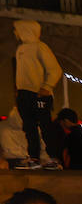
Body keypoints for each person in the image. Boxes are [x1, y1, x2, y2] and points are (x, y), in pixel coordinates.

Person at [11, 20, 62, 170]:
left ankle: (53, 158)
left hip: (39, 94)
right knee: (29, 127)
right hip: (24, 94)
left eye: (17, 29)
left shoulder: (40, 47)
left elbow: (55, 69)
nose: (15, 33)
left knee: (45, 126)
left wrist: (47, 86)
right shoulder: (21, 48)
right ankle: (34, 158)